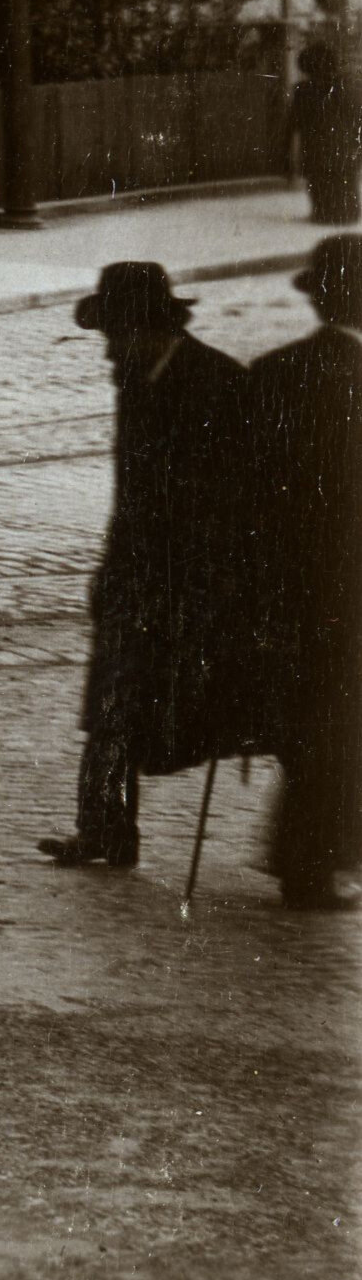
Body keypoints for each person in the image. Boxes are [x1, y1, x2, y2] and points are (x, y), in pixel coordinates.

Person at [40, 261, 269, 869]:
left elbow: (241, 499)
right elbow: (132, 494)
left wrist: (218, 579)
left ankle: (307, 843)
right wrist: (110, 570)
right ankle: (105, 831)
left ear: (147, 327)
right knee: (110, 704)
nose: (107, 350)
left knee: (204, 705)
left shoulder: (220, 383)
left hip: (195, 579)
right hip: (135, 575)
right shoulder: (135, 378)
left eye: (115, 334)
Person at [254, 235, 362, 909]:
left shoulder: (275, 370)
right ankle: (313, 866)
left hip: (286, 585)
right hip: (347, 588)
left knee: (311, 725)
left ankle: (309, 859)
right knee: (338, 726)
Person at [301, 38, 360, 230]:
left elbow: (296, 121)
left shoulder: (304, 90)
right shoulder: (347, 86)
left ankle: (323, 213)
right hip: (344, 144)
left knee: (320, 180)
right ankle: (348, 213)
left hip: (317, 146)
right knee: (344, 180)